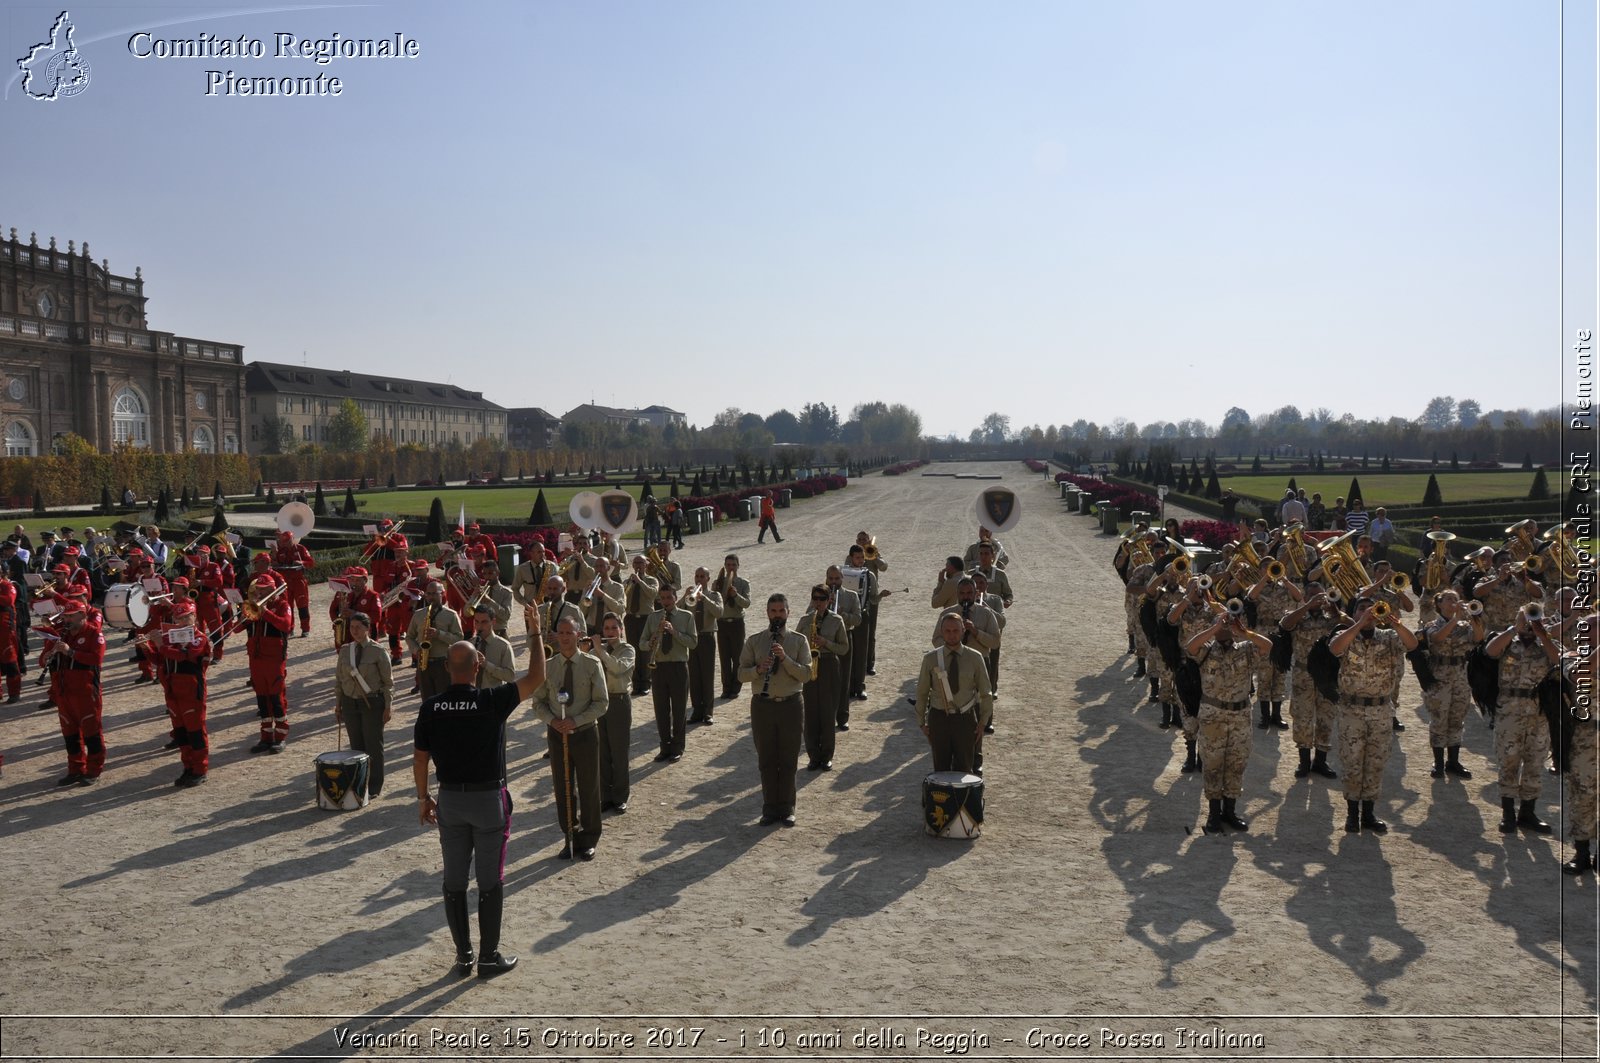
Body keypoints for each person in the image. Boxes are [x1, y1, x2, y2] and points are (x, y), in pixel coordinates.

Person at [413, 633, 548, 979]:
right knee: (490, 880)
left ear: (446, 668)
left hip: (451, 801)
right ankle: (488, 956)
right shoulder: (491, 700)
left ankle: (463, 957)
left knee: (454, 881)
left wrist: (422, 797)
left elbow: (420, 758)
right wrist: (534, 634)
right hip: (488, 800)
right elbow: (536, 678)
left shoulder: (430, 707)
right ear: (478, 665)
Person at [1329, 599, 1418, 833]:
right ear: (1354, 613)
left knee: (1375, 762)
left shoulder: (1388, 637)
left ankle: (1368, 813)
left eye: (1372, 608)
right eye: (1361, 608)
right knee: (1352, 762)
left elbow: (1412, 644)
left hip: (1380, 710)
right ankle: (1352, 814)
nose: (1368, 612)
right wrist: (1359, 624)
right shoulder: (1346, 634)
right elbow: (1335, 649)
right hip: (1352, 710)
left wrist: (1396, 624)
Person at [1185, 606, 1273, 833]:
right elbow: (1190, 646)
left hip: (1240, 716)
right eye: (1221, 622)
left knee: (1236, 764)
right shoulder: (1206, 650)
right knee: (1213, 765)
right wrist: (1214, 627)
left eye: (1228, 622)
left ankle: (1230, 812)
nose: (1225, 625)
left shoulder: (1245, 649)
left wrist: (1245, 633)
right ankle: (1214, 814)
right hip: (1213, 715)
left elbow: (1268, 646)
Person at [530, 617, 609, 860]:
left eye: (569, 632)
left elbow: (602, 702)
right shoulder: (549, 665)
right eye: (561, 632)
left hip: (584, 733)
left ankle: (589, 839)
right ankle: (569, 838)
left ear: (579, 634)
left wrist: (576, 720)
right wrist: (553, 721)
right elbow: (538, 702)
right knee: (563, 787)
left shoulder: (591, 664)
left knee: (588, 787)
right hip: (557, 735)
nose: (564, 637)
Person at [1485, 603, 1562, 834]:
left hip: (1539, 713)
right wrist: (1513, 628)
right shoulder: (1507, 640)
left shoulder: (1549, 643)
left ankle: (1527, 812)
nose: (1529, 622)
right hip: (1509, 709)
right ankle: (1508, 813)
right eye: (1526, 617)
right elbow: (1490, 651)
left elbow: (1559, 661)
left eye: (1533, 616)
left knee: (1535, 762)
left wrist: (1543, 635)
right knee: (1508, 761)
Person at [736, 593, 813, 825]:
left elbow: (807, 674)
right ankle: (770, 809)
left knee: (789, 759)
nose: (777, 615)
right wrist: (758, 670)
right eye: (773, 611)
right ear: (767, 613)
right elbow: (740, 674)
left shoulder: (799, 641)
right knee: (767, 760)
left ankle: (788, 808)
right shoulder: (755, 641)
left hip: (791, 705)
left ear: (788, 613)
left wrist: (785, 659)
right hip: (763, 706)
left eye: (781, 611)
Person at [914, 611, 994, 774]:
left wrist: (983, 722)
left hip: (965, 719)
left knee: (964, 768)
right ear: (942, 632)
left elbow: (986, 692)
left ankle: (962, 800)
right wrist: (921, 722)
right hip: (939, 718)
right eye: (947, 631)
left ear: (963, 630)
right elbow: (922, 692)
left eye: (956, 630)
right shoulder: (930, 659)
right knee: (940, 768)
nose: (951, 635)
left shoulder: (975, 658)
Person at [1280, 584, 1344, 779]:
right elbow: (1285, 624)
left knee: (1326, 716)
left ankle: (1321, 761)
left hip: (1327, 674)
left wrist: (1335, 609)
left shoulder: (1333, 618)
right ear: (1305, 596)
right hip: (1303, 674)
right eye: (1312, 595)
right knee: (1302, 717)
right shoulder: (1298, 615)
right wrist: (1306, 607)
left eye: (1320, 595)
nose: (1317, 599)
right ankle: (1304, 761)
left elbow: (1350, 625)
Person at [1419, 591, 1484, 780]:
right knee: (1439, 718)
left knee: (1457, 718)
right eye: (1449, 599)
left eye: (1456, 599)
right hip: (1439, 676)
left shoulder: (1465, 625)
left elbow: (1478, 638)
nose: (1454, 602)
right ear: (1439, 604)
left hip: (1460, 676)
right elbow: (1437, 639)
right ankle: (1438, 763)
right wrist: (1455, 619)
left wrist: (1474, 618)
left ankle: (1453, 762)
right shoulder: (1431, 624)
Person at [45, 600, 106, 785]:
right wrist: (47, 657)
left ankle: (94, 770)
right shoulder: (61, 635)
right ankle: (75, 769)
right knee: (69, 734)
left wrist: (71, 652)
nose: (67, 619)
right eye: (65, 616)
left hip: (85, 692)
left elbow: (96, 658)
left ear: (82, 615)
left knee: (91, 732)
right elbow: (43, 658)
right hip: (64, 692)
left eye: (71, 616)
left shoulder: (94, 633)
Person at [335, 612, 394, 798]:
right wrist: (338, 704)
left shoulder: (378, 651)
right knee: (356, 745)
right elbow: (339, 680)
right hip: (349, 702)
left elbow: (388, 682)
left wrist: (388, 706)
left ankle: (374, 786)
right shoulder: (345, 650)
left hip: (372, 703)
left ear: (367, 628)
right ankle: (358, 782)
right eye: (352, 627)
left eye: (358, 627)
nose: (354, 631)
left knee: (373, 745)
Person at [156, 594, 211, 787]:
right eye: (178, 619)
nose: (181, 622)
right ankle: (188, 767)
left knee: (195, 731)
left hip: (191, 689)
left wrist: (161, 646)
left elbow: (184, 656)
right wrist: (148, 646)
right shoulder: (170, 638)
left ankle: (200, 769)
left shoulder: (199, 638)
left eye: (186, 617)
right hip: (173, 689)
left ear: (194, 617)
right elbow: (160, 660)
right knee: (181, 732)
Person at [639, 584, 697, 761]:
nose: (666, 601)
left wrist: (674, 632)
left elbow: (693, 643)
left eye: (669, 598)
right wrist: (651, 642)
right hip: (659, 667)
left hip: (678, 667)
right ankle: (664, 746)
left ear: (675, 597)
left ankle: (678, 747)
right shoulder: (653, 617)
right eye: (662, 598)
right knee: (661, 710)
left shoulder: (686, 616)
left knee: (679, 709)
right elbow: (641, 642)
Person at [799, 583, 849, 772]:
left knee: (828, 713)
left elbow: (844, 648)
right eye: (815, 598)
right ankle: (813, 756)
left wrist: (826, 643)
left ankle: (827, 756)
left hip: (828, 665)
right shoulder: (805, 619)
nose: (818, 602)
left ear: (829, 600)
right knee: (811, 713)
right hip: (810, 666)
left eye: (822, 599)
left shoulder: (836, 620)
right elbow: (796, 642)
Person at [244, 576, 294, 752]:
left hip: (274, 658)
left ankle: (280, 737)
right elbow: (235, 629)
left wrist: (265, 612)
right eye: (258, 589)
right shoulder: (254, 605)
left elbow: (286, 625)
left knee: (276, 698)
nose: (260, 592)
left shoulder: (282, 605)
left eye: (264, 589)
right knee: (262, 699)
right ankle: (266, 737)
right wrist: (247, 614)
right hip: (256, 658)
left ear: (273, 589)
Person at [593, 613, 634, 813]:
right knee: (603, 753)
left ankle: (620, 797)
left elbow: (617, 669)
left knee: (619, 752)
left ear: (621, 630)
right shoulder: (597, 650)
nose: (609, 632)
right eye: (606, 628)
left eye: (613, 628)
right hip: (600, 703)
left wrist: (599, 651)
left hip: (618, 702)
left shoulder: (627, 649)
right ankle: (605, 796)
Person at [408, 581, 465, 702]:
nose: (431, 597)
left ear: (442, 594)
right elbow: (409, 637)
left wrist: (439, 634)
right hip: (424, 663)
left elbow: (459, 638)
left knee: (445, 701)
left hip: (443, 663)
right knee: (427, 701)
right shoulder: (418, 614)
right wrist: (416, 650)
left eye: (434, 593)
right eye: (428, 594)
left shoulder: (451, 615)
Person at [684, 568, 723, 725]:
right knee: (694, 676)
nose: (699, 579)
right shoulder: (690, 596)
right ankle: (697, 711)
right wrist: (685, 595)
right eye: (697, 576)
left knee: (707, 676)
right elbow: (678, 609)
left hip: (707, 638)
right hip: (692, 638)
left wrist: (704, 598)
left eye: (702, 576)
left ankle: (708, 712)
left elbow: (719, 612)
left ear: (708, 578)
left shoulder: (714, 595)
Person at [715, 555, 751, 700]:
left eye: (733, 565)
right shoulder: (718, 582)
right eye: (728, 565)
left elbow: (747, 603)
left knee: (737, 657)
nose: (731, 567)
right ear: (725, 565)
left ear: (738, 566)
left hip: (737, 622)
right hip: (722, 623)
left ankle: (736, 687)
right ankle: (726, 687)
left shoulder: (743, 583)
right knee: (724, 657)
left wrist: (736, 595)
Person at [622, 555, 659, 696]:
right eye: (636, 562)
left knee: (646, 651)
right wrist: (630, 584)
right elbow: (623, 596)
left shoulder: (651, 580)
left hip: (646, 618)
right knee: (633, 651)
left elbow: (652, 594)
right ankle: (636, 683)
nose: (638, 565)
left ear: (646, 565)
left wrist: (640, 581)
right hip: (631, 618)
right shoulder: (627, 581)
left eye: (641, 563)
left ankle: (646, 682)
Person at [272, 531, 315, 637]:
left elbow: (311, 563)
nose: (286, 543)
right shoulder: (281, 551)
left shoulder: (300, 549)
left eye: (287, 541)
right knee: (288, 606)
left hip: (298, 582)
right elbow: (275, 563)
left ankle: (305, 629)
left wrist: (301, 563)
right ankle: (289, 628)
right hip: (286, 582)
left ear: (292, 539)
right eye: (283, 541)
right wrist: (275, 559)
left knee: (302, 606)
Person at [468, 605, 517, 689]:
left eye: (484, 622)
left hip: (492, 697)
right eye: (476, 622)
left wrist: (486, 664)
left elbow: (510, 676)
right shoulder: (470, 644)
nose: (479, 626)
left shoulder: (504, 646)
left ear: (493, 622)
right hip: (472, 695)